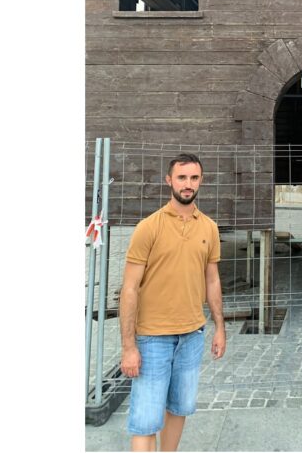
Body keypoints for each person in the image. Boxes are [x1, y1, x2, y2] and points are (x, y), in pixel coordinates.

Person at [119, 153, 226, 452]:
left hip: (192, 336)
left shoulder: (209, 228)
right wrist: (128, 347)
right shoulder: (149, 227)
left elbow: (212, 280)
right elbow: (129, 289)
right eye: (181, 177)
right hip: (152, 337)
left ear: (201, 181)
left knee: (179, 409)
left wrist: (220, 327)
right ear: (169, 180)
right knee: (145, 421)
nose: (187, 184)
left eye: (194, 178)